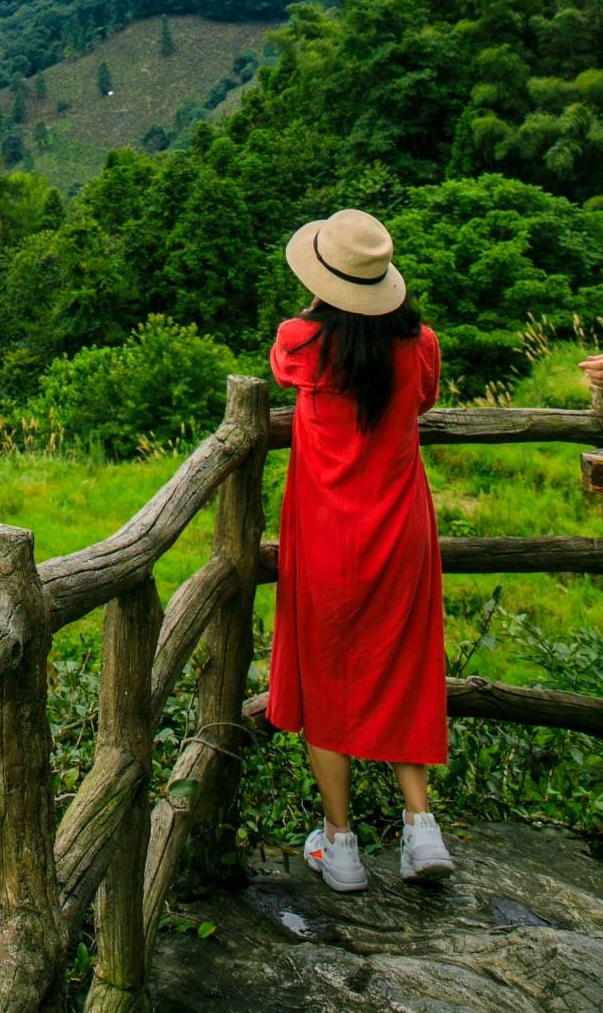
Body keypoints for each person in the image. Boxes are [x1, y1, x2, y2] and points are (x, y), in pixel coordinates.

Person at [268, 207, 454, 892]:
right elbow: (425, 399)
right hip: (402, 527)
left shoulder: (303, 342)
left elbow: (286, 366)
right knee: (402, 665)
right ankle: (420, 827)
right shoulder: (421, 344)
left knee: (326, 678)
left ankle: (341, 846)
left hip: (325, 534)